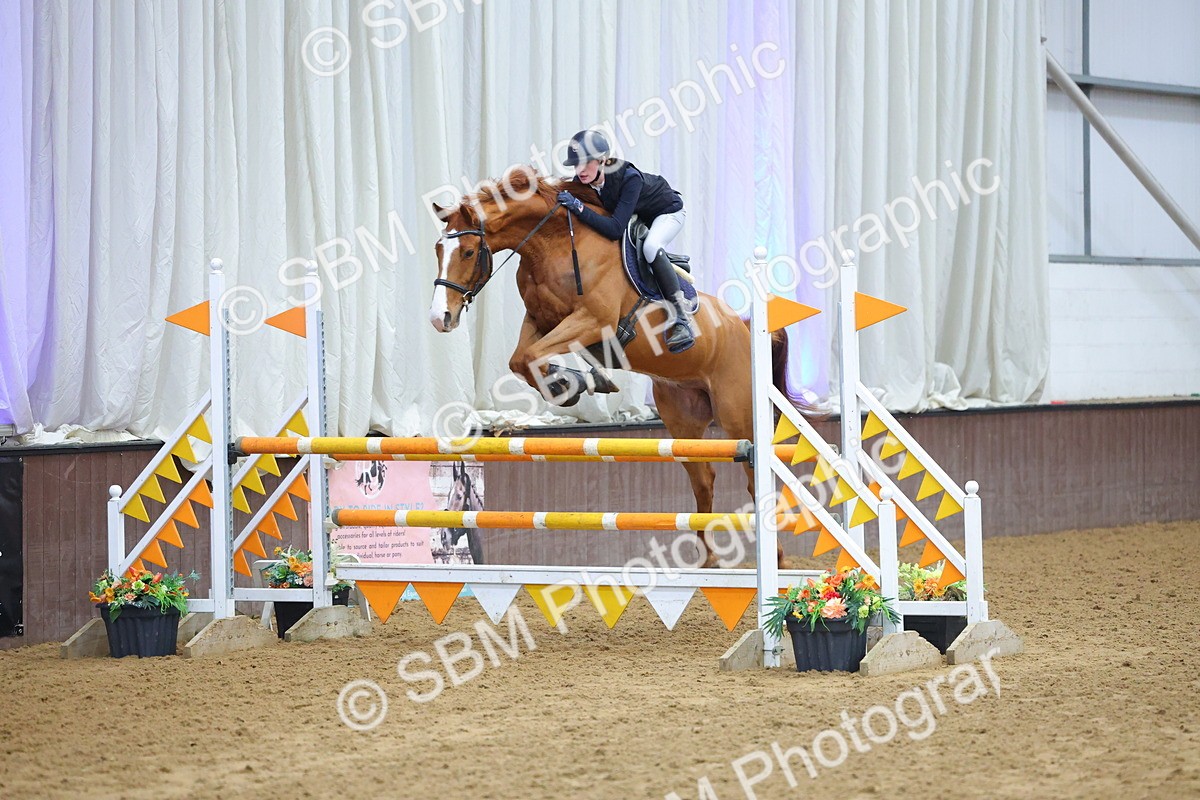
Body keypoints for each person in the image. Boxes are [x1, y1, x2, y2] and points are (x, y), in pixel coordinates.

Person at [555, 130, 695, 353]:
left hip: (668, 212)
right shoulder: (582, 181)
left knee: (651, 246)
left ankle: (681, 318)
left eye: (586, 163)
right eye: (576, 165)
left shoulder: (630, 178)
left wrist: (578, 207)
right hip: (639, 216)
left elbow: (614, 229)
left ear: (603, 160)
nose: (580, 170)